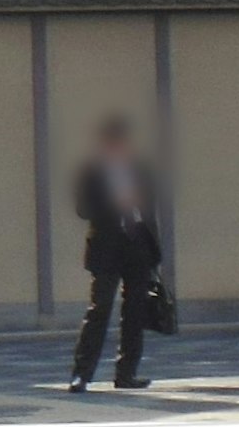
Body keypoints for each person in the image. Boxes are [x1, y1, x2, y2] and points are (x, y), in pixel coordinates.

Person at [70, 115, 168, 393]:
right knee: (99, 310)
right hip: (106, 247)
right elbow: (83, 210)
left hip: (137, 243)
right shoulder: (91, 171)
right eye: (112, 142)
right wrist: (115, 202)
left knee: (135, 311)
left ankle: (126, 373)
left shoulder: (140, 168)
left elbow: (150, 206)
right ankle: (82, 375)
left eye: (121, 142)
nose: (118, 147)